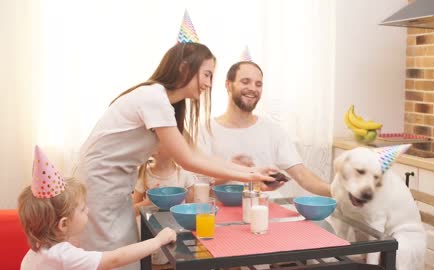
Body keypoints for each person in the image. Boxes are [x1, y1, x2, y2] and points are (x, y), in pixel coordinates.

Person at [74, 43, 274, 270]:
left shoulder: (165, 105)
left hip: (115, 187)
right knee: (112, 259)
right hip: (99, 187)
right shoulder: (153, 98)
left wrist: (252, 173)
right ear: (184, 68)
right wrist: (249, 175)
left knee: (128, 256)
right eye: (207, 75)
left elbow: (197, 154)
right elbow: (188, 160)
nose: (209, 84)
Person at [18, 146, 177, 270]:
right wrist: (158, 241)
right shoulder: (64, 256)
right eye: (82, 209)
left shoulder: (38, 250)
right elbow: (115, 259)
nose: (88, 210)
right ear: (63, 224)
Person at [198, 61, 331, 198]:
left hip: (264, 210)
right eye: (245, 82)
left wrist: (339, 192)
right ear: (228, 85)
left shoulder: (273, 130)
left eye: (258, 84)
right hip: (219, 213)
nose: (253, 88)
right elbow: (198, 187)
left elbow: (302, 175)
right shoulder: (205, 131)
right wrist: (233, 170)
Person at [133, 148, 195, 217]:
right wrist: (147, 202)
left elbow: (191, 209)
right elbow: (132, 212)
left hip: (179, 225)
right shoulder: (144, 175)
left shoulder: (185, 175)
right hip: (153, 225)